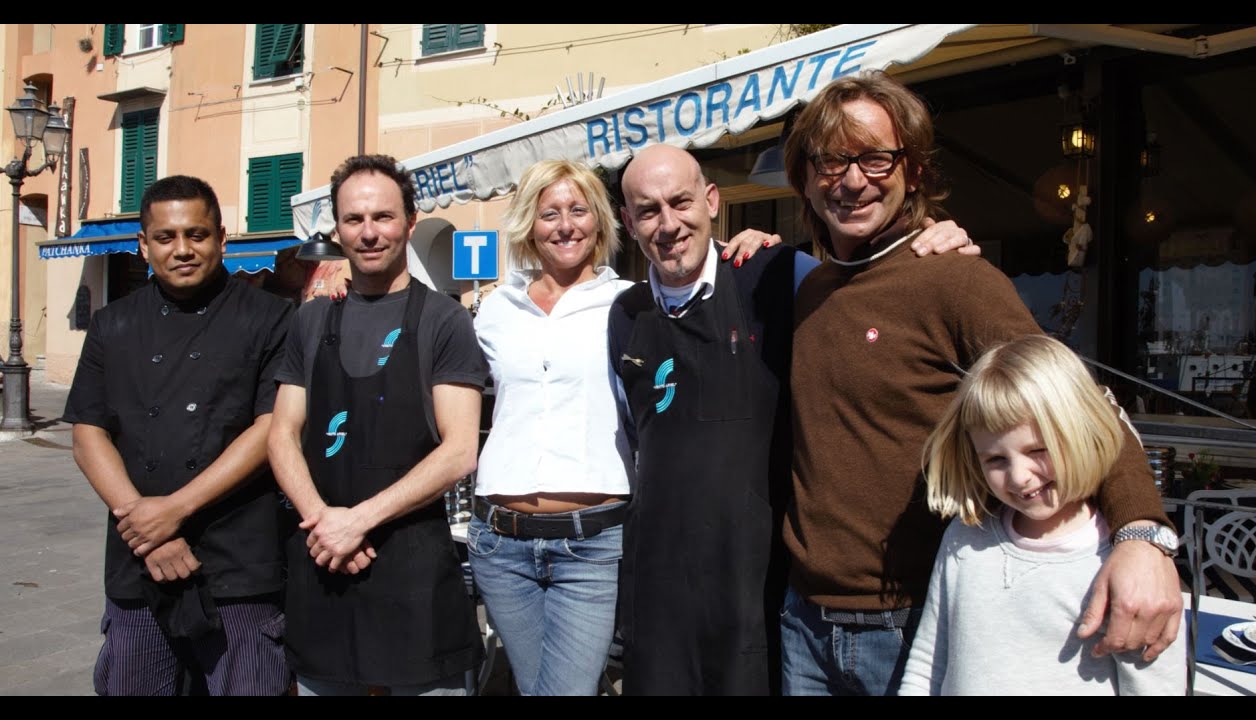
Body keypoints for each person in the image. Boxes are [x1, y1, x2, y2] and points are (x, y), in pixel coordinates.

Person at [780, 71, 1182, 696]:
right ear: (804, 176)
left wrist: (1142, 536)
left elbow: (1079, 409)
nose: (852, 180)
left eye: (875, 158)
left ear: (912, 171)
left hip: (914, 621)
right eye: (830, 161)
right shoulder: (809, 291)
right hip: (801, 620)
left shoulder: (955, 279)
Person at [607, 143, 974, 695]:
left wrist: (934, 241)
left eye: (680, 202)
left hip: (758, 590)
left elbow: (868, 288)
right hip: (660, 595)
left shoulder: (776, 274)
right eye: (648, 210)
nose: (668, 224)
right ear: (628, 222)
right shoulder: (625, 315)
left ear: (711, 201)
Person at [469, 159, 772, 696]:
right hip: (500, 543)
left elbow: (705, 283)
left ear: (606, 222)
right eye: (549, 213)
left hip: (592, 542)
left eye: (579, 210)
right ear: (527, 225)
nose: (566, 225)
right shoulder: (494, 310)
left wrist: (749, 251)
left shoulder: (631, 303)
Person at [65, 175, 294, 695]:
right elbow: (88, 433)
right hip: (138, 562)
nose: (183, 249)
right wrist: (150, 529)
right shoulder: (112, 323)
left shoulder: (273, 317)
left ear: (222, 238)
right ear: (143, 245)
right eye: (166, 238)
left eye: (198, 234)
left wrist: (175, 509)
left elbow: (270, 428)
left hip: (240, 564)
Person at [267, 154, 486, 695]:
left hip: (413, 568)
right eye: (354, 220)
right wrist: (324, 522)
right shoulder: (312, 318)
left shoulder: (445, 320)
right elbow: (282, 431)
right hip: (324, 562)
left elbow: (459, 451)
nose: (369, 233)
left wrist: (357, 521)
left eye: (383, 218)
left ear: (410, 222)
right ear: (337, 228)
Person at [899, 334, 1185, 695]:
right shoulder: (965, 537)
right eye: (996, 459)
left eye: (1038, 449)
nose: (1019, 477)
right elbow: (928, 662)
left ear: (1084, 431)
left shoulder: (1124, 570)